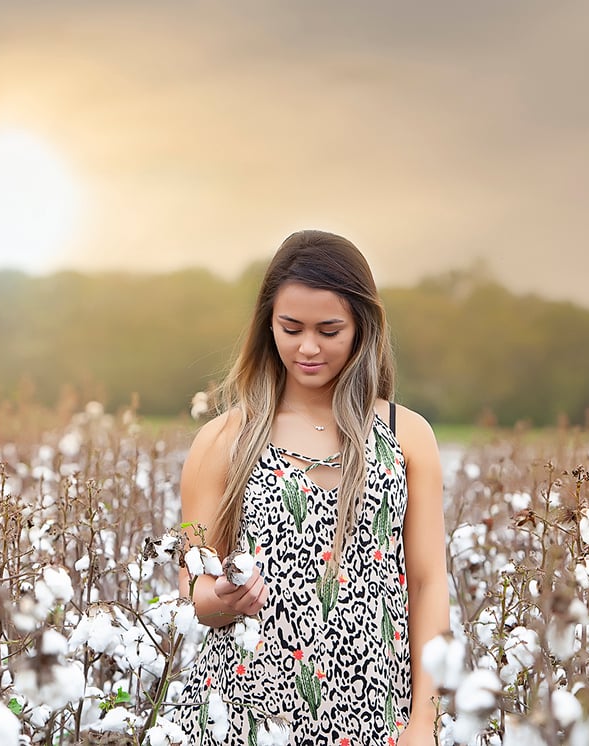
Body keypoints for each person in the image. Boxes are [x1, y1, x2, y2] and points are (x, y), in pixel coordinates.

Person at [173, 230, 449, 745]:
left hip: (377, 718)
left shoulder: (406, 435)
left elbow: (430, 583)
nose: (307, 347)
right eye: (290, 327)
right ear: (266, 325)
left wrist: (424, 722)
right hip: (243, 717)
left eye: (329, 330)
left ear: (363, 328)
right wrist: (225, 599)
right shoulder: (223, 440)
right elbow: (194, 586)